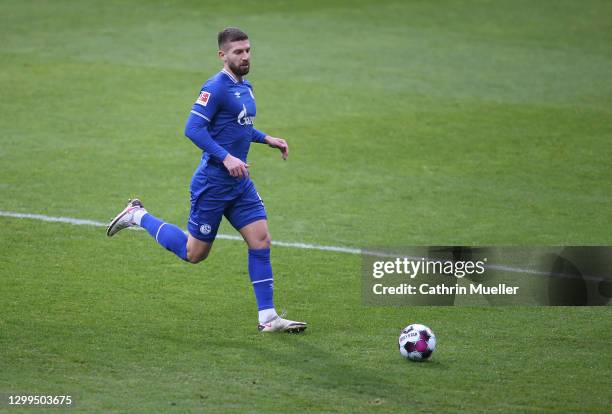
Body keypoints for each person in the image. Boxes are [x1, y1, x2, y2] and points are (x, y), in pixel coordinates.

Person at [106, 27, 307, 333]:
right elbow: (193, 129)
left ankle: (268, 317)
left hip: (239, 183)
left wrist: (266, 138)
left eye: (248, 50)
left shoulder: (245, 87)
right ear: (222, 55)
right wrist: (226, 157)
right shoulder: (215, 87)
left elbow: (239, 127)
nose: (245, 56)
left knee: (261, 240)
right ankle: (138, 216)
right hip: (213, 183)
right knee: (194, 253)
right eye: (238, 52)